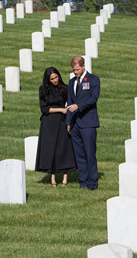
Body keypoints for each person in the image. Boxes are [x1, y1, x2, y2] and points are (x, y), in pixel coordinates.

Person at [35, 67, 77, 187]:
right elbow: (43, 108)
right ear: (48, 80)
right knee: (51, 150)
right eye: (52, 79)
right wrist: (61, 110)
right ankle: (52, 178)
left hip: (62, 121)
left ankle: (65, 178)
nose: (55, 80)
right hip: (48, 123)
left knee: (63, 149)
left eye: (56, 77)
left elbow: (70, 104)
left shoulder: (64, 88)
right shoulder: (43, 90)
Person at [66, 56, 100, 190]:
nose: (75, 72)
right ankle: (83, 181)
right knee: (79, 155)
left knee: (90, 154)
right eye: (74, 70)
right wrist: (68, 122)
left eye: (77, 69)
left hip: (88, 123)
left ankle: (93, 183)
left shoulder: (93, 80)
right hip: (75, 124)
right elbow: (69, 102)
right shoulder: (71, 82)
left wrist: (78, 106)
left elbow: (93, 98)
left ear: (83, 66)